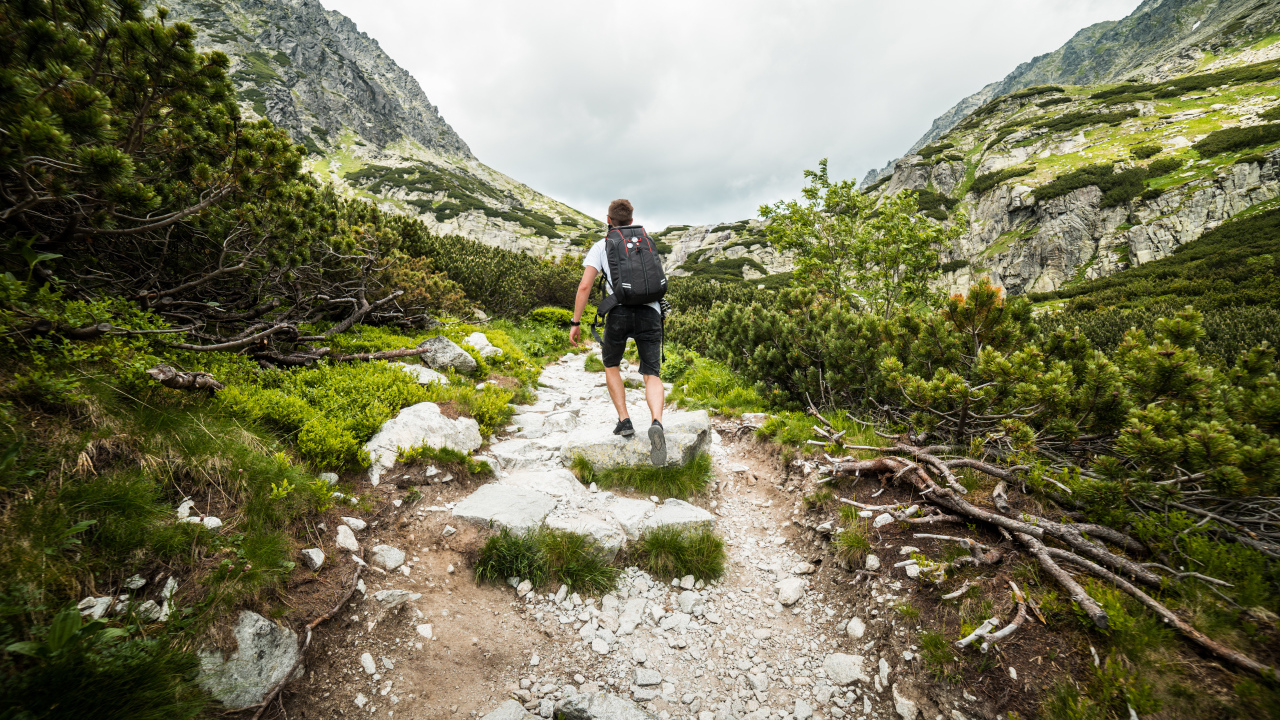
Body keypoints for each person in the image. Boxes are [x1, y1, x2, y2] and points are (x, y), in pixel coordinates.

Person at [569, 198, 667, 465]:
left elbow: (584, 287)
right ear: (632, 221)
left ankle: (624, 420)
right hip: (650, 312)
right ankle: (656, 422)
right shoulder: (646, 242)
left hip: (619, 313)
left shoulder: (602, 245)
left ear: (608, 220)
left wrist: (576, 322)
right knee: (651, 373)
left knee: (611, 363)